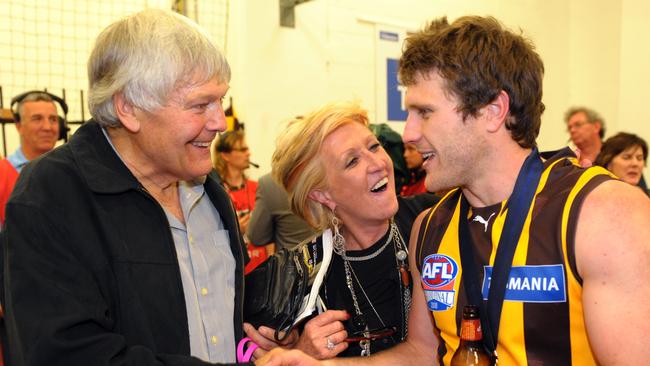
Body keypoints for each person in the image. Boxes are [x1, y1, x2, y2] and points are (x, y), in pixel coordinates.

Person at [256, 15, 650, 366]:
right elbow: (422, 353)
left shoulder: (605, 214)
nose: (408, 134)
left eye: (424, 112)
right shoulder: (429, 228)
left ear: (493, 111)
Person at [1, 9, 251, 365]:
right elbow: (64, 353)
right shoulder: (52, 195)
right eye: (200, 105)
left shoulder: (205, 186)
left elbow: (219, 310)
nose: (219, 122)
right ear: (129, 108)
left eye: (220, 101)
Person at [246, 102, 437, 360]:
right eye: (352, 161)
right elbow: (241, 351)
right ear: (323, 195)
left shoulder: (436, 220)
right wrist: (299, 353)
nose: (377, 163)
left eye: (374, 146)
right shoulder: (299, 277)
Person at [213, 130, 270, 274]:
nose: (248, 153)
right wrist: (235, 229)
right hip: (233, 272)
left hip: (262, 270)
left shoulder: (258, 188)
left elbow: (271, 234)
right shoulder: (215, 192)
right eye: (242, 149)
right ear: (225, 155)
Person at [0, 91, 60, 226]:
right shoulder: (2, 174)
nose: (47, 127)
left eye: (53, 119)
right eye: (37, 119)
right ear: (18, 125)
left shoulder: (72, 172)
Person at [247, 172, 316, 251]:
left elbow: (256, 238)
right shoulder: (325, 172)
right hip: (328, 256)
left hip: (292, 259)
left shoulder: (268, 183)